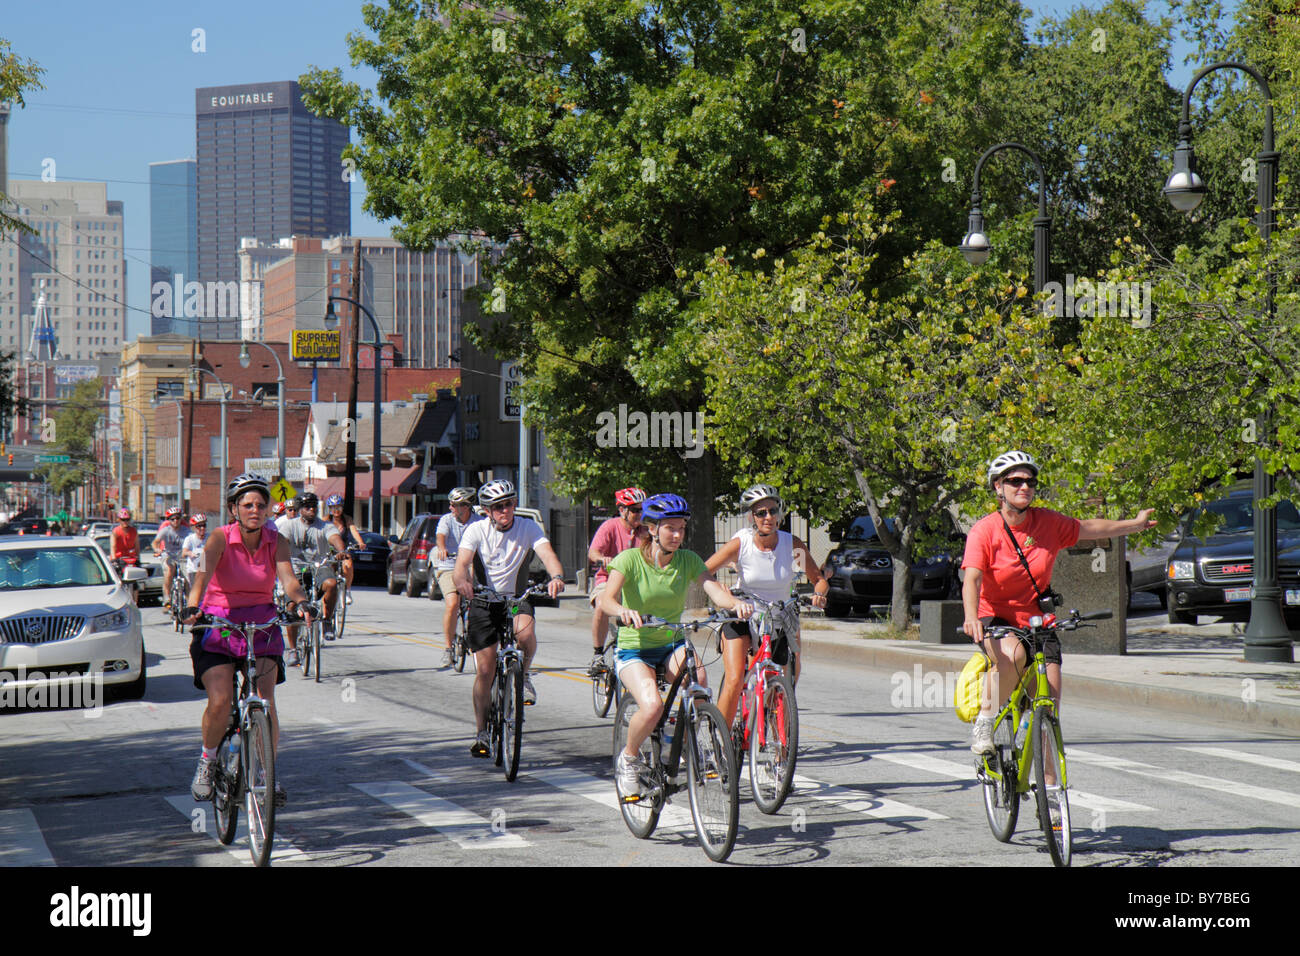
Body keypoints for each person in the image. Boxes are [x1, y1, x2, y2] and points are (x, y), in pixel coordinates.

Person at [962, 450, 1156, 759]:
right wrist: (971, 617)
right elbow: (972, 579)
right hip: (995, 617)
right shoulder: (984, 531)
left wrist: (1134, 524)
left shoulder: (1048, 522)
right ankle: (985, 723)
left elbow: (1090, 528)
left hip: (1037, 618)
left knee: (1048, 711)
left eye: (1030, 481)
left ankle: (1051, 793)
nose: (1024, 487)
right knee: (1014, 656)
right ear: (998, 487)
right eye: (1015, 481)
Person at [601, 493, 752, 797]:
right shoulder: (629, 559)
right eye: (670, 528)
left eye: (681, 528)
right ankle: (629, 758)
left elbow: (713, 590)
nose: (677, 535)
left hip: (671, 642)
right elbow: (606, 599)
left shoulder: (688, 560)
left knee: (699, 682)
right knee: (653, 706)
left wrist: (735, 604)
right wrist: (623, 611)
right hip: (634, 648)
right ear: (652, 529)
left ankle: (692, 743)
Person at [183, 473, 314, 806]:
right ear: (233, 509)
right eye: (247, 505)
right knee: (220, 699)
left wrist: (301, 602)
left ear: (268, 509)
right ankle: (208, 760)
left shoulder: (276, 541)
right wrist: (192, 607)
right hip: (220, 622)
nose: (255, 509)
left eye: (261, 504)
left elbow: (289, 581)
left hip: (262, 622)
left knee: (264, 701)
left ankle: (265, 774)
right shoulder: (219, 537)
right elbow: (201, 579)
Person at [453, 479, 565, 756]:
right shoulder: (475, 530)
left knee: (525, 634)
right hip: (483, 601)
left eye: (510, 504)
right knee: (485, 670)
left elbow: (548, 554)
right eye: (498, 506)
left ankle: (523, 675)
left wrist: (557, 577)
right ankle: (481, 733)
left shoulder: (528, 526)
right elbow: (461, 565)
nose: (506, 510)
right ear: (487, 511)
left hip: (514, 602)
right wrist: (461, 582)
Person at [706, 483, 829, 729]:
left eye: (773, 511)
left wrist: (819, 594)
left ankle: (778, 748)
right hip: (743, 614)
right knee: (734, 678)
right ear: (751, 516)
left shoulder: (792, 544)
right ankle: (719, 741)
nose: (768, 517)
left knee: (785, 679)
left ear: (780, 513)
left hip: (779, 616)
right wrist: (722, 592)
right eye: (761, 513)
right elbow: (703, 571)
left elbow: (819, 579)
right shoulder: (741, 544)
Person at [278, 491, 348, 661]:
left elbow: (335, 538)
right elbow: (282, 541)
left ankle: (327, 621)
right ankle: (293, 649)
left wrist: (341, 551)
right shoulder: (289, 525)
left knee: (332, 583)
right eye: (307, 507)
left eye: (314, 506)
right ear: (300, 509)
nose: (311, 509)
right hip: (295, 568)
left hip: (319, 566)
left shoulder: (325, 525)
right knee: (292, 607)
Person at [586, 487, 648, 676]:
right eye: (635, 510)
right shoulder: (610, 526)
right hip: (608, 579)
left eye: (642, 509)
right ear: (622, 510)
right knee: (602, 606)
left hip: (635, 583)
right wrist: (602, 559)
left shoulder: (646, 531)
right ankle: (598, 655)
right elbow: (593, 552)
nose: (640, 514)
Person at [434, 487, 483, 668]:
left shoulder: (479, 522)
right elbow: (441, 536)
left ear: (466, 507)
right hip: (449, 566)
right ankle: (448, 648)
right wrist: (442, 548)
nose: (450, 508)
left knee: (480, 603)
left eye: (454, 505)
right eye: (451, 504)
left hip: (471, 567)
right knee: (453, 603)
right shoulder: (446, 520)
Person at [325, 493, 365, 604]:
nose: (336, 510)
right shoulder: (325, 520)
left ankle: (347, 590)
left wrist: (361, 542)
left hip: (343, 550)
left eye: (338, 507)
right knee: (326, 570)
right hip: (329, 550)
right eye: (333, 508)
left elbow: (354, 531)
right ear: (329, 509)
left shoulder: (347, 519)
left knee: (348, 565)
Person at [154, 507, 186, 610]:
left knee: (187, 576)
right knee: (169, 571)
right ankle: (167, 598)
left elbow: (193, 540)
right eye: (172, 519)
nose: (175, 521)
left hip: (181, 556)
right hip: (168, 554)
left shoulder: (186, 530)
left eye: (177, 518)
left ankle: (190, 602)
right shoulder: (165, 530)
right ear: (169, 520)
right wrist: (157, 549)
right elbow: (156, 542)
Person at [110, 508, 140, 603]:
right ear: (119, 520)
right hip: (119, 558)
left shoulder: (133, 531)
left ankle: (135, 603)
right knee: (118, 581)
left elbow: (137, 546)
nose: (125, 522)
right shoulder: (116, 531)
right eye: (123, 520)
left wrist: (137, 557)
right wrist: (114, 559)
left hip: (130, 559)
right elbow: (113, 546)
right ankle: (118, 600)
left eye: (127, 520)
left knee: (135, 583)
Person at [181, 514, 208, 592]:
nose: (202, 528)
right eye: (199, 526)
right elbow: (184, 552)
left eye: (204, 525)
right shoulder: (189, 539)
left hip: (206, 569)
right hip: (193, 569)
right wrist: (191, 553)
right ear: (194, 527)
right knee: (196, 590)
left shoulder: (210, 537)